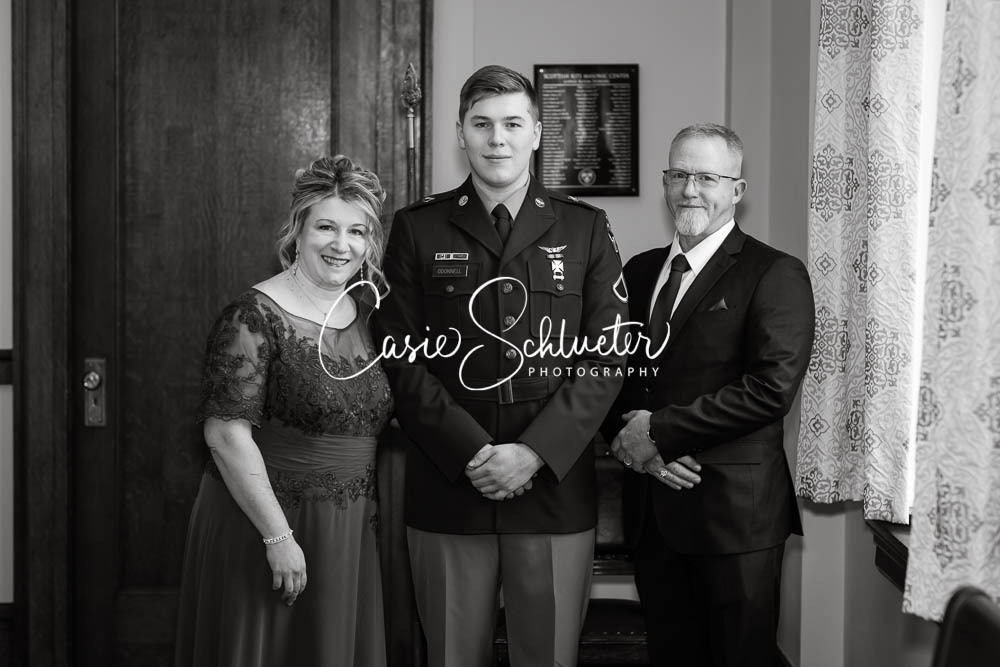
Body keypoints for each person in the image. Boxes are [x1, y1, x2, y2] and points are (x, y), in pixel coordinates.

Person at [376, 65, 628, 667]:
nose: (497, 139)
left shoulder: (585, 227)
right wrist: (472, 453)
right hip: (450, 486)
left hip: (551, 490)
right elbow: (400, 358)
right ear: (460, 133)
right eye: (481, 124)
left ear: (537, 133)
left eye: (513, 124)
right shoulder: (417, 228)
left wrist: (533, 453)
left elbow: (607, 355)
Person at [607, 123, 815, 667]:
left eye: (706, 177)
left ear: (737, 190)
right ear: (664, 182)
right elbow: (609, 377)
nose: (689, 190)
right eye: (678, 175)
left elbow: (770, 389)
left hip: (734, 520)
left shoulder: (775, 273)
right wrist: (636, 448)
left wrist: (659, 433)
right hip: (653, 512)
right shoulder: (639, 271)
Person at [174, 155, 392, 666]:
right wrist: (278, 537)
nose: (341, 245)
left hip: (350, 530)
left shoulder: (372, 314)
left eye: (357, 231)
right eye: (326, 227)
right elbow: (225, 435)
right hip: (268, 524)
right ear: (297, 231)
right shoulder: (251, 317)